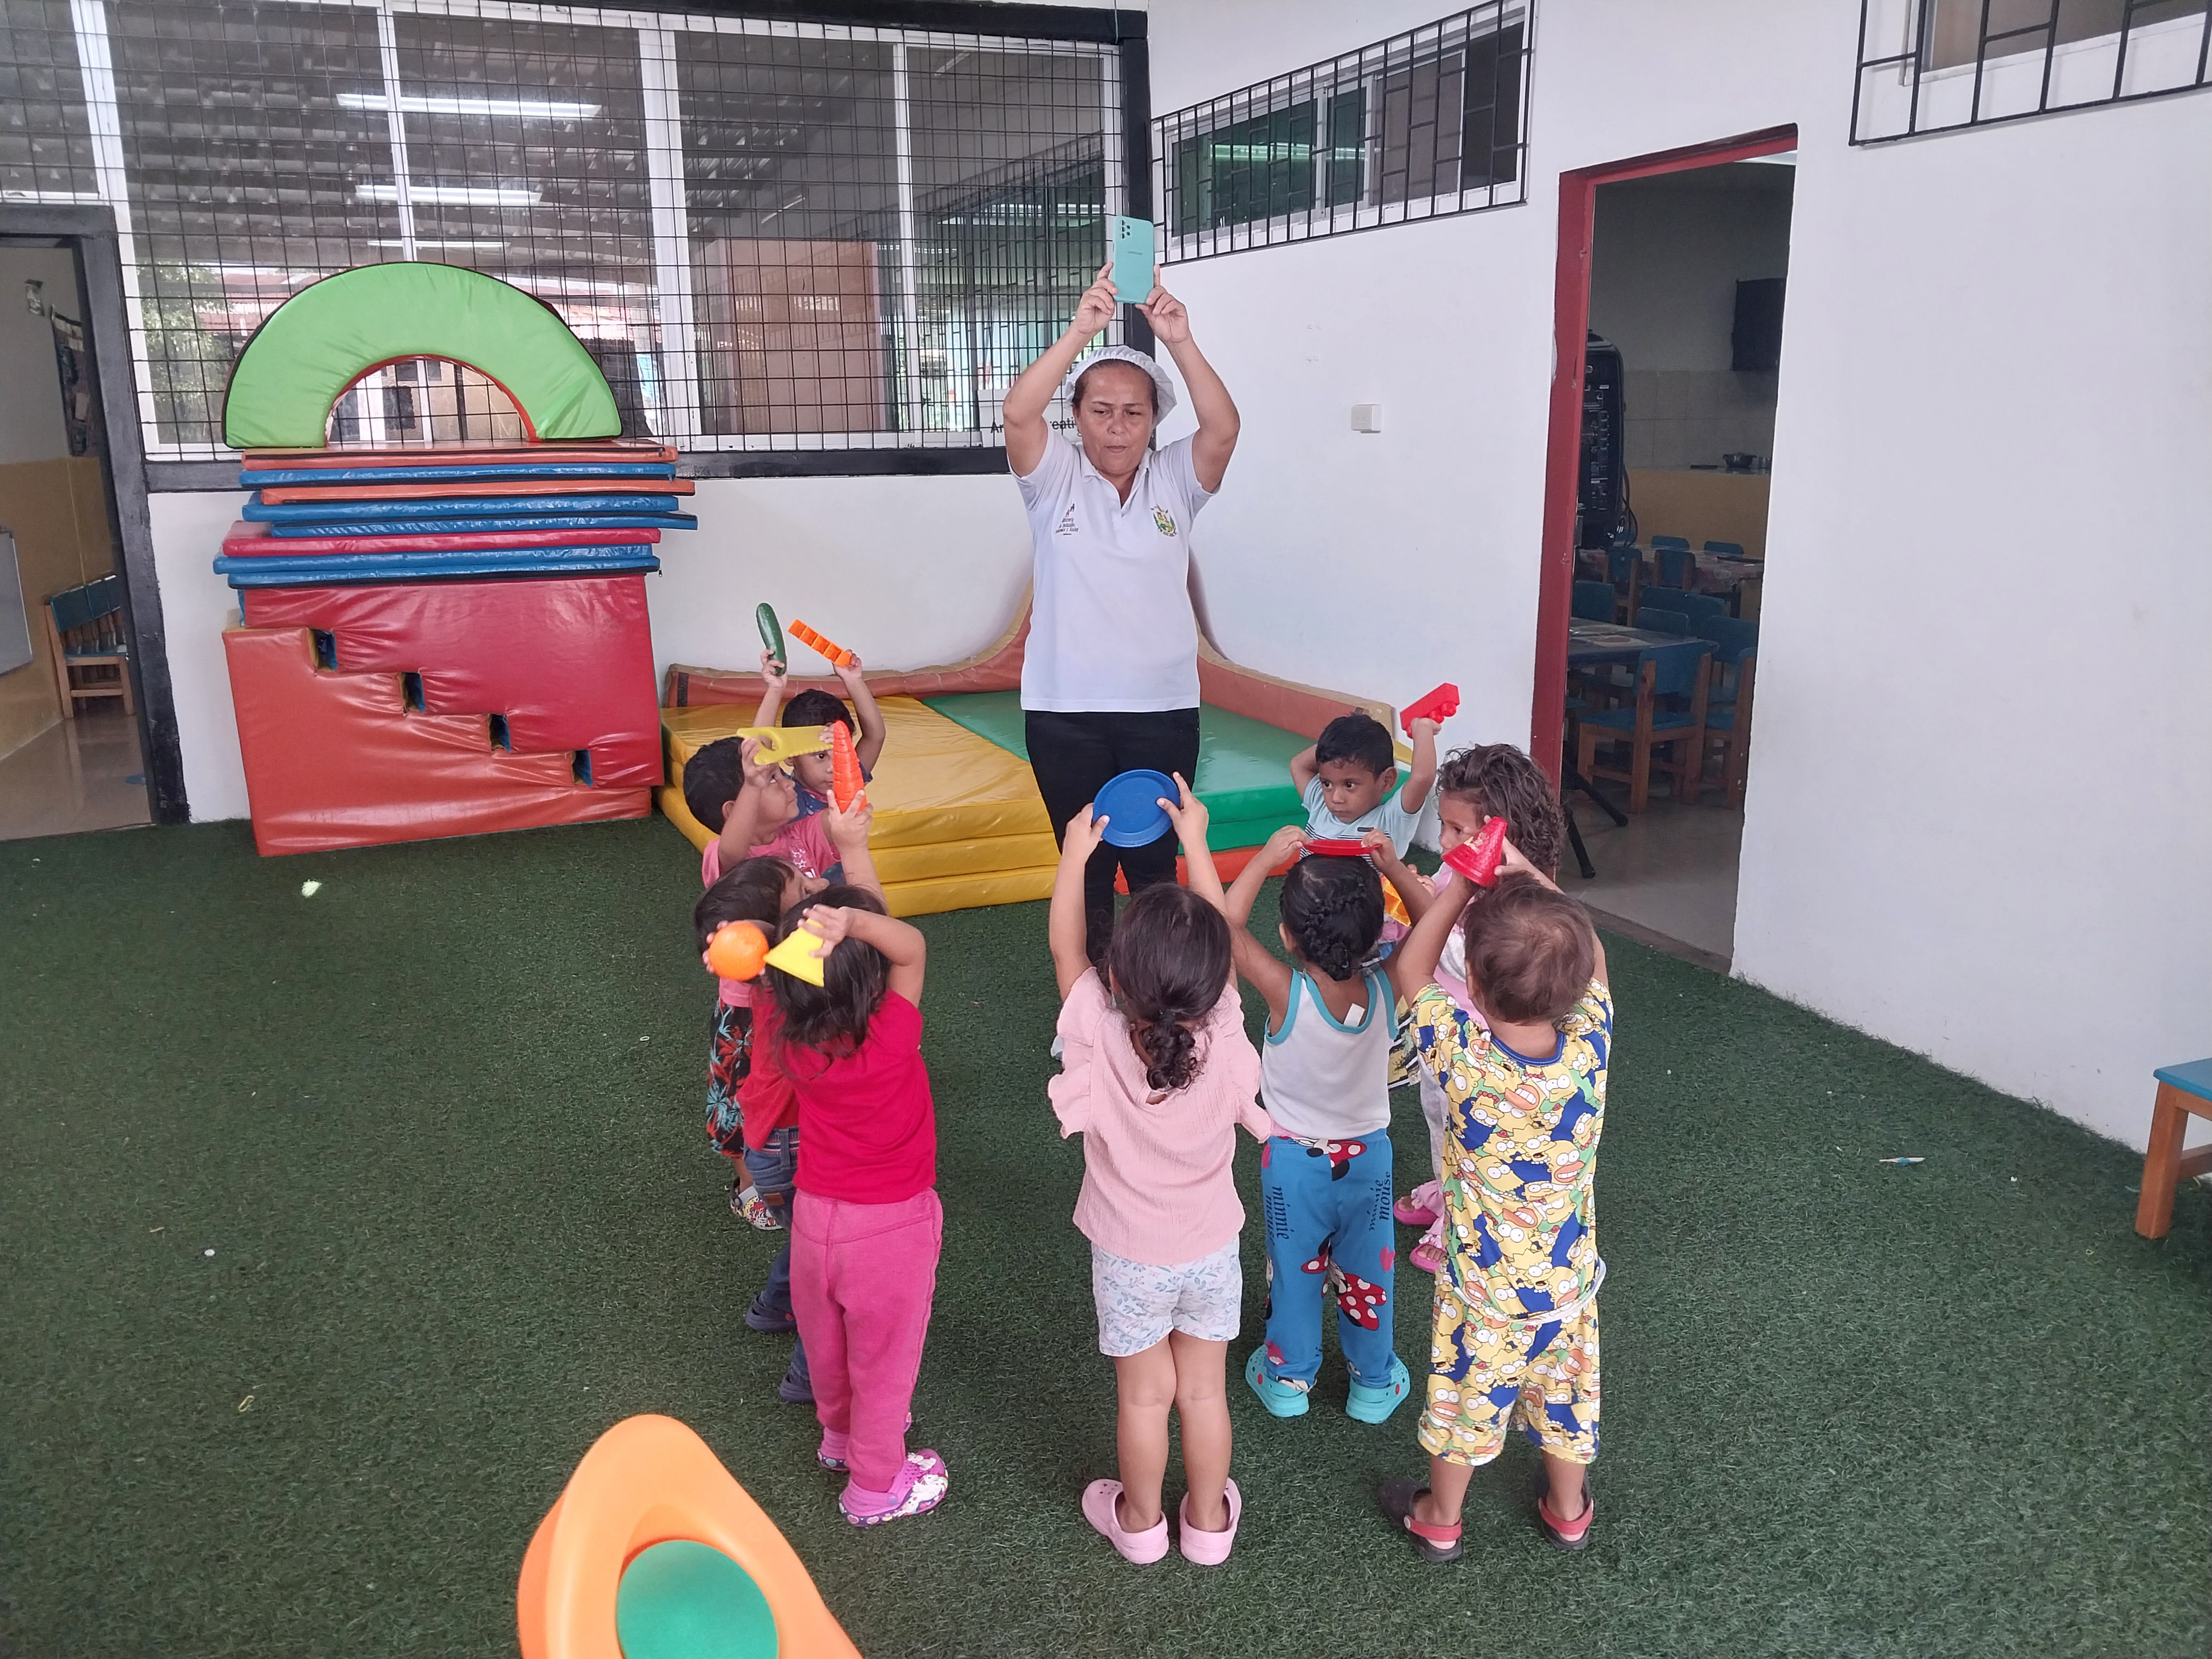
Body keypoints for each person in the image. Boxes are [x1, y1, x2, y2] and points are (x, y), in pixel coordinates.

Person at [1048, 779, 1270, 1567]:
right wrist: (1196, 841)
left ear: (1115, 978)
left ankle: (1140, 1524)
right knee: (1204, 1392)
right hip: (1211, 1249)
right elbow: (1223, 937)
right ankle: (1207, 1526)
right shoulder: (1225, 1026)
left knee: (1145, 1397)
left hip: (1130, 1256)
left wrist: (1076, 857)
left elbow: (1066, 951)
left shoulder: (1096, 1027)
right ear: (1213, 982)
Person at [1002, 262, 1243, 966]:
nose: (1116, 426)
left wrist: (1180, 340)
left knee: (1153, 867)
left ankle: (1159, 995)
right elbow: (1018, 414)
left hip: (1161, 710)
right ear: (1077, 416)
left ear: (1153, 420)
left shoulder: (1175, 479)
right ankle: (1088, 1002)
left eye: (1134, 412)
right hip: (1064, 712)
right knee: (1084, 866)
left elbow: (1224, 429)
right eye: (1100, 410)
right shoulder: (1053, 479)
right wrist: (1082, 331)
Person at [1378, 843, 1611, 1559]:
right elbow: (1598, 960)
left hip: (1483, 1294)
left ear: (1473, 984)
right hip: (1567, 1288)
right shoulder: (1590, 1049)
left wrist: (1462, 884)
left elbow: (1412, 969)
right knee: (1567, 1403)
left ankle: (1440, 1518)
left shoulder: (1465, 1059)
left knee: (1462, 1405)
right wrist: (1536, 878)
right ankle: (1567, 1511)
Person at [765, 843, 946, 1527]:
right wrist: (854, 921)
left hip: (816, 1223)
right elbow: (912, 947)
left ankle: (838, 1440)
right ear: (872, 984)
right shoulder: (892, 1034)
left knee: (830, 1348)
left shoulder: (790, 1041)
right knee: (885, 1362)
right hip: (890, 1229)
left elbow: (788, 981)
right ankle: (875, 1487)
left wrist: (809, 933)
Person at [1218, 824, 1410, 1425]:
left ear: (1287, 935)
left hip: (1292, 1165)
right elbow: (1433, 926)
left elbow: (1223, 927)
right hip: (1369, 1162)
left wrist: (1263, 860)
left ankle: (1286, 1380)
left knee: (1295, 1270)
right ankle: (1372, 1385)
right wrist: (1395, 868)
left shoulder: (1286, 992)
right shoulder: (1390, 985)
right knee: (1369, 1275)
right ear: (1376, 932)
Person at [1363, 743, 1568, 1273]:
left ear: (1505, 836)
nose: (1445, 841)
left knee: (1466, 1132)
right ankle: (1446, 1183)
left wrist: (1417, 901)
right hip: (1443, 1035)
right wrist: (1418, 889)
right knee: (1438, 1117)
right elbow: (1438, 909)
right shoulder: (1461, 872)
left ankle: (1459, 1215)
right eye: (1444, 826)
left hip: (1478, 1047)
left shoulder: (1516, 911)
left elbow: (1447, 951)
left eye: (1459, 830)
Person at [750, 648, 888, 828]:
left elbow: (875, 736)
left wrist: (854, 681)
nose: (834, 767)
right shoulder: (785, 792)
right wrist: (775, 689)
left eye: (840, 753)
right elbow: (758, 754)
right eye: (821, 756)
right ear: (790, 755)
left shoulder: (849, 777)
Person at [1291, 710, 1440, 856]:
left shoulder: (1390, 821)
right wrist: (1339, 740)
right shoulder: (1320, 805)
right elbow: (1298, 765)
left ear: (1386, 781)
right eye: (1327, 784)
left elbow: (1422, 778)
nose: (1336, 798)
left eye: (1349, 785)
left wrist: (1423, 729)